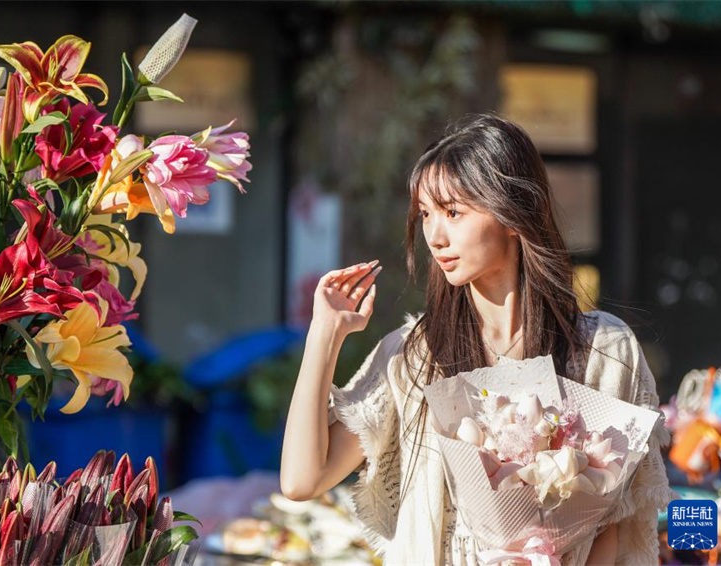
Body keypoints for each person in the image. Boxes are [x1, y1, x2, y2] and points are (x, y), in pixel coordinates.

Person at [280, 113, 677, 565]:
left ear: (513, 213)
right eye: (426, 215)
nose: (435, 235)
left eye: (453, 212)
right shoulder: (414, 355)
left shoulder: (605, 350)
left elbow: (621, 522)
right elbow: (301, 480)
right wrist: (323, 335)